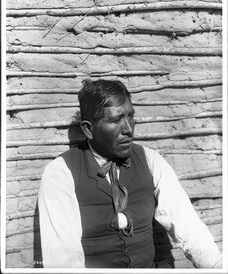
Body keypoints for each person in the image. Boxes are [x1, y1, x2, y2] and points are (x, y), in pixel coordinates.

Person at [38, 79, 222, 269]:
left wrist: (217, 267)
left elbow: (190, 230)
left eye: (130, 116)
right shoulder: (61, 174)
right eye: (116, 119)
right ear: (88, 129)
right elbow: (64, 262)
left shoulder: (151, 161)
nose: (128, 129)